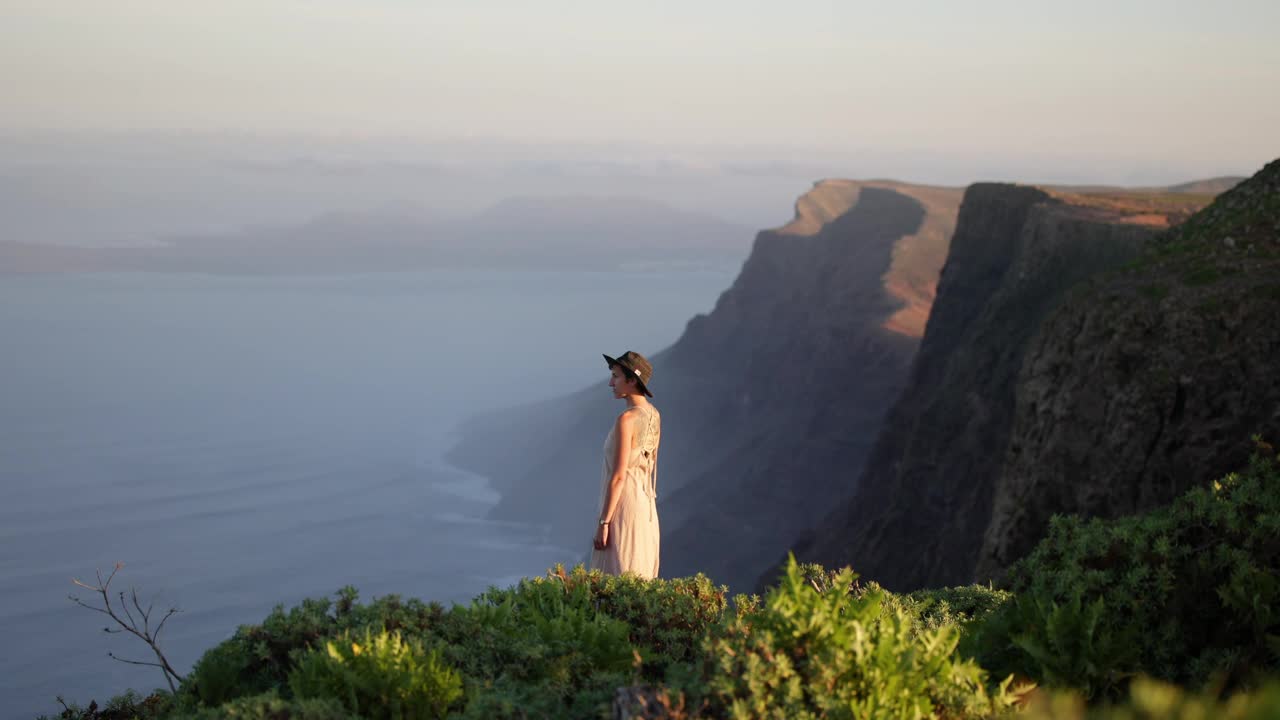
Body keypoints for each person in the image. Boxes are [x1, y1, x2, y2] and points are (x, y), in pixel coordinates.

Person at [590, 350, 661, 579]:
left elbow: (619, 476)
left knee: (615, 576)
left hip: (624, 507)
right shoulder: (654, 415)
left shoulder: (627, 420)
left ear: (632, 380)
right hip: (646, 508)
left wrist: (604, 522)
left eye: (616, 377)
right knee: (637, 577)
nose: (611, 383)